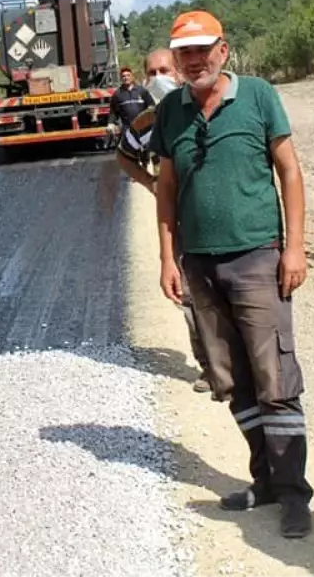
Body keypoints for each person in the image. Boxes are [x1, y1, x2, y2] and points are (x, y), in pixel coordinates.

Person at [149, 10, 314, 539]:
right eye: (184, 52)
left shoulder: (260, 96)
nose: (194, 60)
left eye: (202, 50)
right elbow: (167, 189)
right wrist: (166, 257)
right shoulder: (171, 111)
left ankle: (293, 494)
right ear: (174, 59)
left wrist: (295, 248)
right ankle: (264, 479)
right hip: (199, 264)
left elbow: (288, 170)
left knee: (276, 379)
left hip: (258, 258)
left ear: (223, 50)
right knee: (230, 377)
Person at [115, 47, 211, 393]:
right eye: (152, 73)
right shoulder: (147, 123)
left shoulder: (208, 108)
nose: (159, 79)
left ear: (180, 73)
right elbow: (124, 157)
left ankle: (237, 365)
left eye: (164, 71)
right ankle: (209, 366)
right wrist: (152, 183)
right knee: (191, 296)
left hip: (217, 221)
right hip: (179, 222)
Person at [109, 65, 154, 130]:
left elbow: (151, 106)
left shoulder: (142, 91)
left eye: (128, 75)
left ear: (132, 76)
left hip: (144, 127)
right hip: (127, 129)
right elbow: (113, 112)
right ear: (121, 78)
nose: (126, 78)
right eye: (123, 76)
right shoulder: (117, 94)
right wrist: (111, 123)